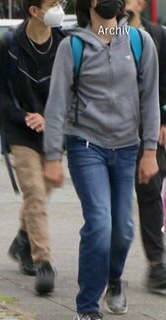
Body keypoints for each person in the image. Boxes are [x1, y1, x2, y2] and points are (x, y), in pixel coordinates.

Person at [43, 0, 160, 318]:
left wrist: (149, 151)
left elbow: (150, 99)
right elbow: (56, 105)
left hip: (126, 150)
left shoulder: (139, 41)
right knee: (99, 224)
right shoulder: (72, 47)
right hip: (86, 147)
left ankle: (114, 279)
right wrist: (52, 156)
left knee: (122, 229)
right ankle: (87, 306)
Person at [0, 0, 67, 295]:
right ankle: (43, 261)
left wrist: (54, 117)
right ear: (34, 10)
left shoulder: (64, 44)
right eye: (52, 3)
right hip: (21, 133)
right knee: (34, 192)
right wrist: (20, 115)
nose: (59, 7)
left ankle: (21, 240)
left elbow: (74, 88)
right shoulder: (11, 44)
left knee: (42, 193)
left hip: (54, 133)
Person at [125, 0, 166, 295]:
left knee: (150, 190)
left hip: (153, 127)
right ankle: (156, 265)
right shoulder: (109, 34)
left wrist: (163, 120)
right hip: (117, 129)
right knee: (140, 193)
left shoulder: (158, 35)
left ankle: (156, 265)